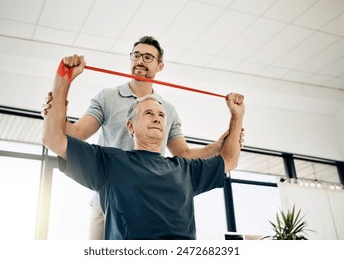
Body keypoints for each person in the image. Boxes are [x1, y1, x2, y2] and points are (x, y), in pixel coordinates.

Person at [42, 36, 244, 239]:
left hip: (150, 198)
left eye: (148, 57)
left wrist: (217, 146)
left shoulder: (167, 110)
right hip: (108, 196)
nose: (140, 61)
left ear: (160, 66)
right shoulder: (107, 98)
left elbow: (184, 153)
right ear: (131, 125)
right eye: (136, 55)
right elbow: (73, 134)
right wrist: (55, 109)